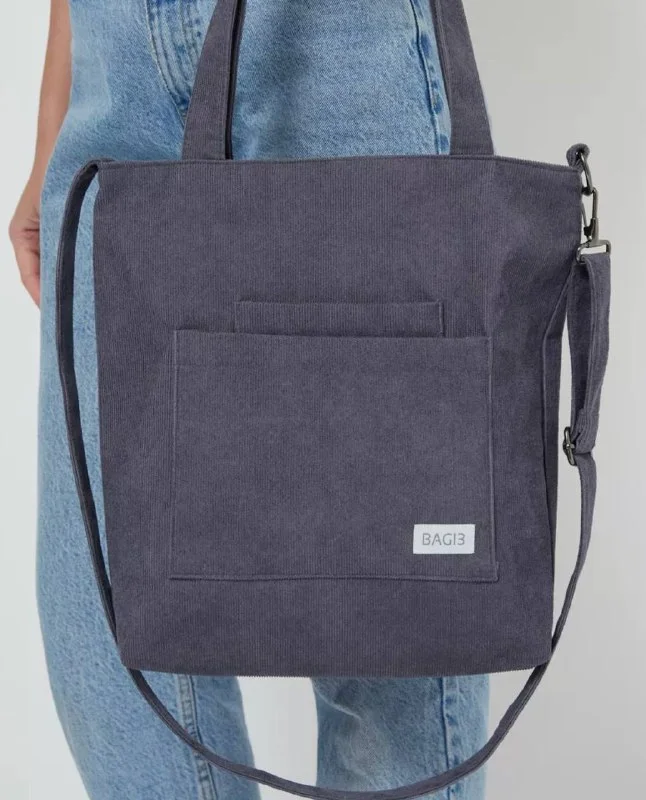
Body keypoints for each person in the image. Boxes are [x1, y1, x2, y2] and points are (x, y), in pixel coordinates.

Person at [10, 2, 489, 798]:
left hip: (337, 42)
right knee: (108, 633)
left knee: (394, 635)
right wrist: (56, 108)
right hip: (112, 61)